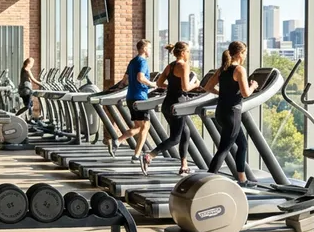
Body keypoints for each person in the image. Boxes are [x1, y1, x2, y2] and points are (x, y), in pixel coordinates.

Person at [202, 40, 258, 186]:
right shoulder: (239, 69)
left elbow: (208, 87)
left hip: (221, 112)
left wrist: (224, 93)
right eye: (244, 53)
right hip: (232, 114)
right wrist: (253, 85)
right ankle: (205, 182)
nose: (245, 56)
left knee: (242, 144)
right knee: (223, 149)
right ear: (239, 53)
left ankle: (242, 179)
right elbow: (245, 93)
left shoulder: (222, 69)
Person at [141, 41, 199, 175]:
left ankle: (184, 165)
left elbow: (159, 83)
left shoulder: (170, 66)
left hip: (167, 105)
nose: (189, 54)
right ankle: (150, 156)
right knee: (175, 138)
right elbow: (185, 87)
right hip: (179, 105)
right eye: (188, 52)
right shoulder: (184, 66)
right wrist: (195, 84)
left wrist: (173, 87)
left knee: (186, 132)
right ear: (183, 53)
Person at [105, 39, 156, 162]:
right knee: (145, 127)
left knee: (138, 127)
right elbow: (140, 77)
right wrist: (152, 84)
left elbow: (124, 80)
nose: (150, 51)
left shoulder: (133, 61)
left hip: (130, 97)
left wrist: (118, 87)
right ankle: (136, 156)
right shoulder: (142, 62)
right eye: (149, 48)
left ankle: (117, 141)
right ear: (144, 49)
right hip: (140, 98)